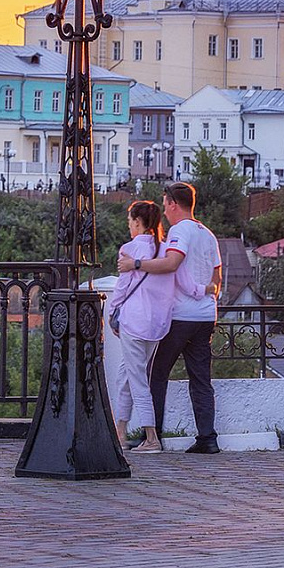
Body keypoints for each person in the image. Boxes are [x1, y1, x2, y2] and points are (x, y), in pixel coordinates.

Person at [117, 181, 224, 454]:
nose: (163, 210)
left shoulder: (180, 230)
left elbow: (172, 264)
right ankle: (207, 438)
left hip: (179, 316)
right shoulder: (208, 234)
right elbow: (218, 277)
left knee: (155, 374)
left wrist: (136, 264)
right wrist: (208, 295)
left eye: (165, 204)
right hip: (205, 315)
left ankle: (152, 437)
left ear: (174, 204)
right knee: (201, 378)